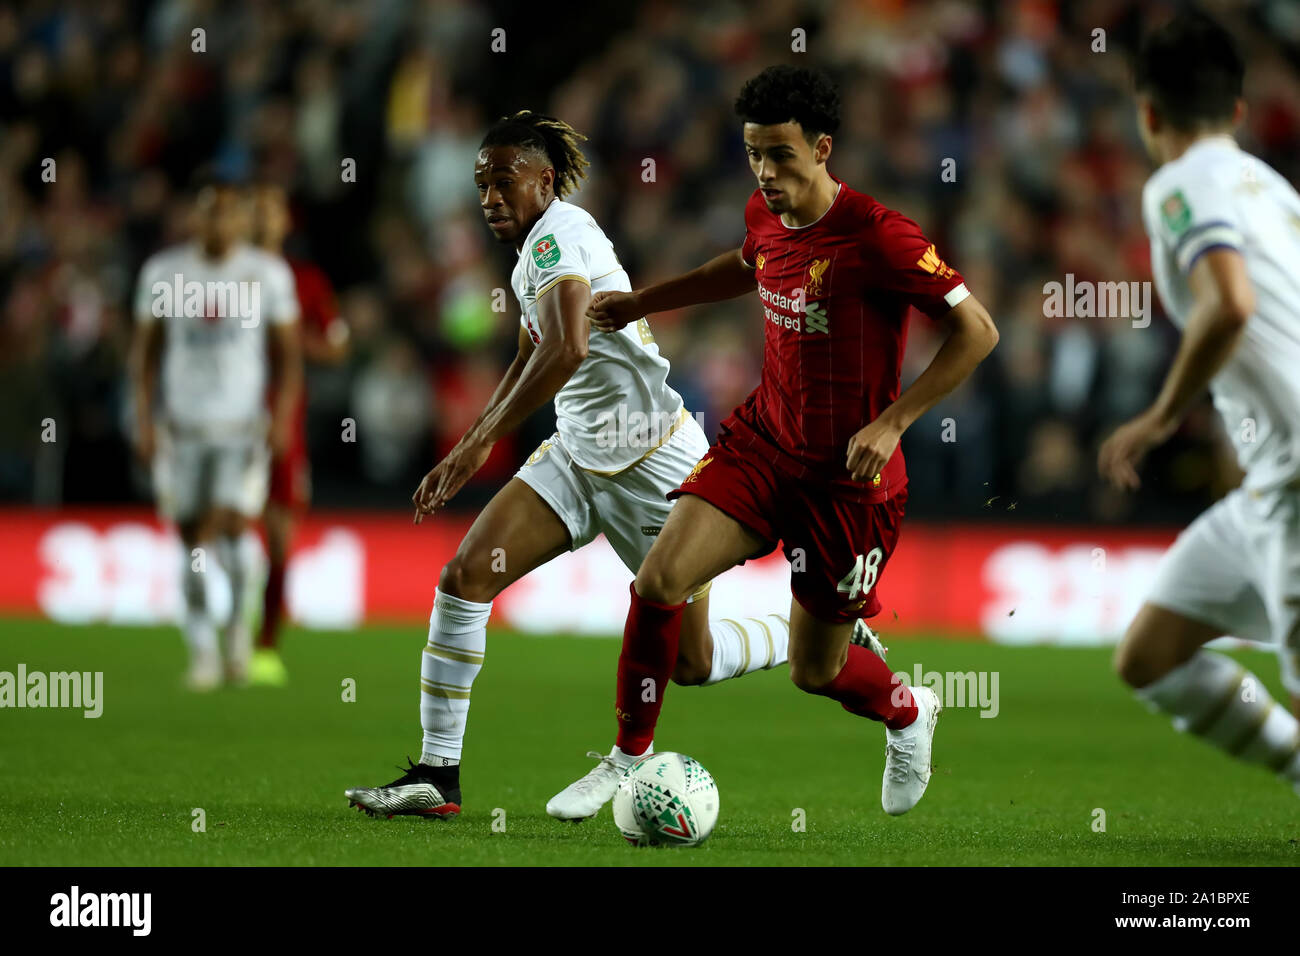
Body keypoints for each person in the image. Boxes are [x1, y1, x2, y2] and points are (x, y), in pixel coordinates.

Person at [548, 65, 999, 818]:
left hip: (848, 483)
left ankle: (909, 710)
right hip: (762, 445)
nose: (766, 172)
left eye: (782, 155)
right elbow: (743, 265)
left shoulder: (878, 235)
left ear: (823, 149)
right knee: (659, 582)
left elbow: (977, 331)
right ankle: (627, 760)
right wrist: (643, 302)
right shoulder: (764, 214)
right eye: (755, 154)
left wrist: (892, 423)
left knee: (816, 672)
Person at [344, 111, 803, 820]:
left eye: (504, 181)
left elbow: (566, 350)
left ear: (544, 180)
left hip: (657, 463)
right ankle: (439, 774)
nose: (490, 196)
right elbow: (535, 349)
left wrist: (472, 449)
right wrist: (474, 434)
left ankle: (810, 631)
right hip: (578, 456)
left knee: (692, 663)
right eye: (481, 185)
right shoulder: (535, 249)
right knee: (466, 578)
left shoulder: (563, 234)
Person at [1100, 11, 1300, 793]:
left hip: (1293, 479)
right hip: (1266, 487)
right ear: (1238, 113)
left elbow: (1232, 304)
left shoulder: (1179, 183)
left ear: (1148, 112)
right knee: (1150, 655)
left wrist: (1158, 417)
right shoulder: (1274, 191)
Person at [130, 177, 302, 690]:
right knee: (191, 538)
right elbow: (145, 356)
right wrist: (142, 419)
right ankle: (203, 647)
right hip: (181, 429)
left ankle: (235, 637)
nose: (218, 222)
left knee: (228, 524)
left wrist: (285, 418)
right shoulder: (164, 272)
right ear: (195, 217)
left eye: (227, 213)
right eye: (209, 212)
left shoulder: (266, 274)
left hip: (241, 428)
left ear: (239, 219)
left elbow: (288, 359)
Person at [247, 182, 350, 686]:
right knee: (220, 528)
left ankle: (265, 644)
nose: (263, 218)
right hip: (223, 419)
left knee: (280, 534)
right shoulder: (217, 279)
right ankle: (218, 638)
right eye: (255, 209)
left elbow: (336, 346)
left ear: (286, 222)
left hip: (281, 418)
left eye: (272, 208)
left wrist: (291, 340)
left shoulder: (305, 281)